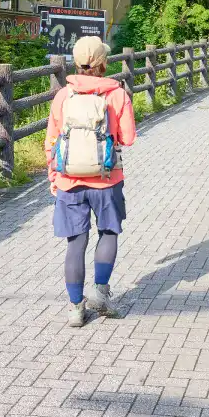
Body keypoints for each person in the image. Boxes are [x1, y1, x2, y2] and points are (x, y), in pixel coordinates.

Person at [45, 36, 137, 327]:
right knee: (108, 232)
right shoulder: (116, 94)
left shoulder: (63, 96)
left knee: (76, 243)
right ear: (102, 63)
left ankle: (75, 308)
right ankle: (100, 292)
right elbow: (129, 137)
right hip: (107, 178)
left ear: (76, 63)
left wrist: (53, 177)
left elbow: (52, 141)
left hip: (69, 180)